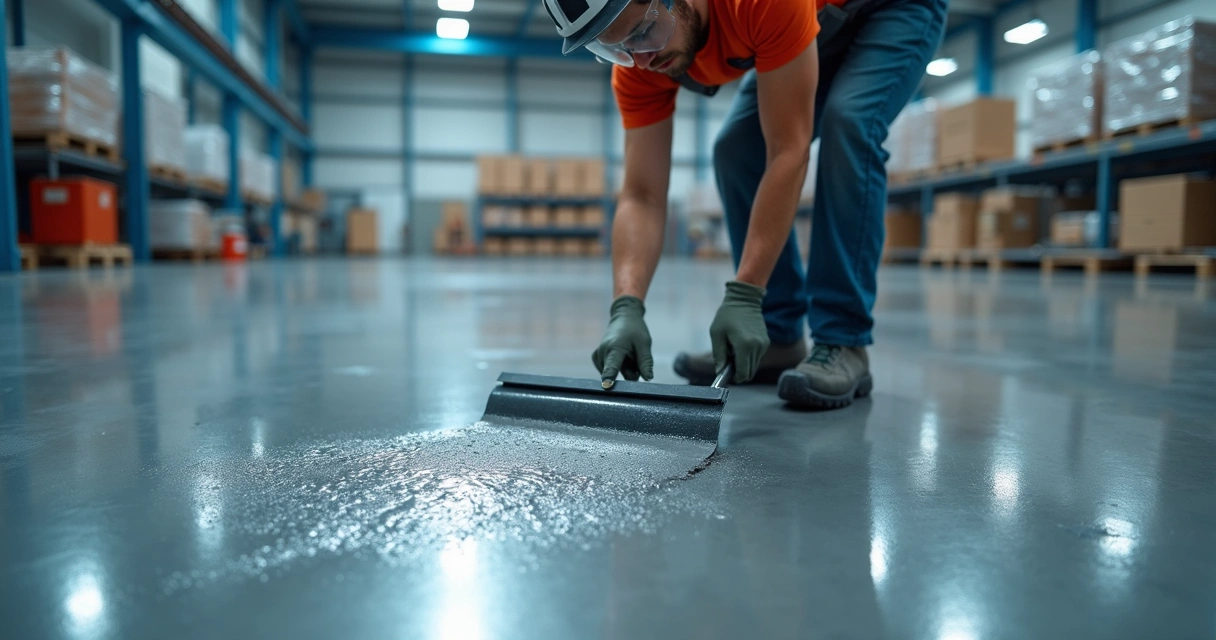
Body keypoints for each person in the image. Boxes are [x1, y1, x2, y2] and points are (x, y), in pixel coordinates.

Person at [542, 0, 947, 409]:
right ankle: (778, 334)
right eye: (618, 49)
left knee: (850, 125)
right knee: (736, 149)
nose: (641, 60)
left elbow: (788, 151)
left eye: (644, 33)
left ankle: (843, 340)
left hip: (889, 8)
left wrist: (745, 293)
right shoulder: (640, 63)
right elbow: (641, 194)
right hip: (810, 18)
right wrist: (625, 306)